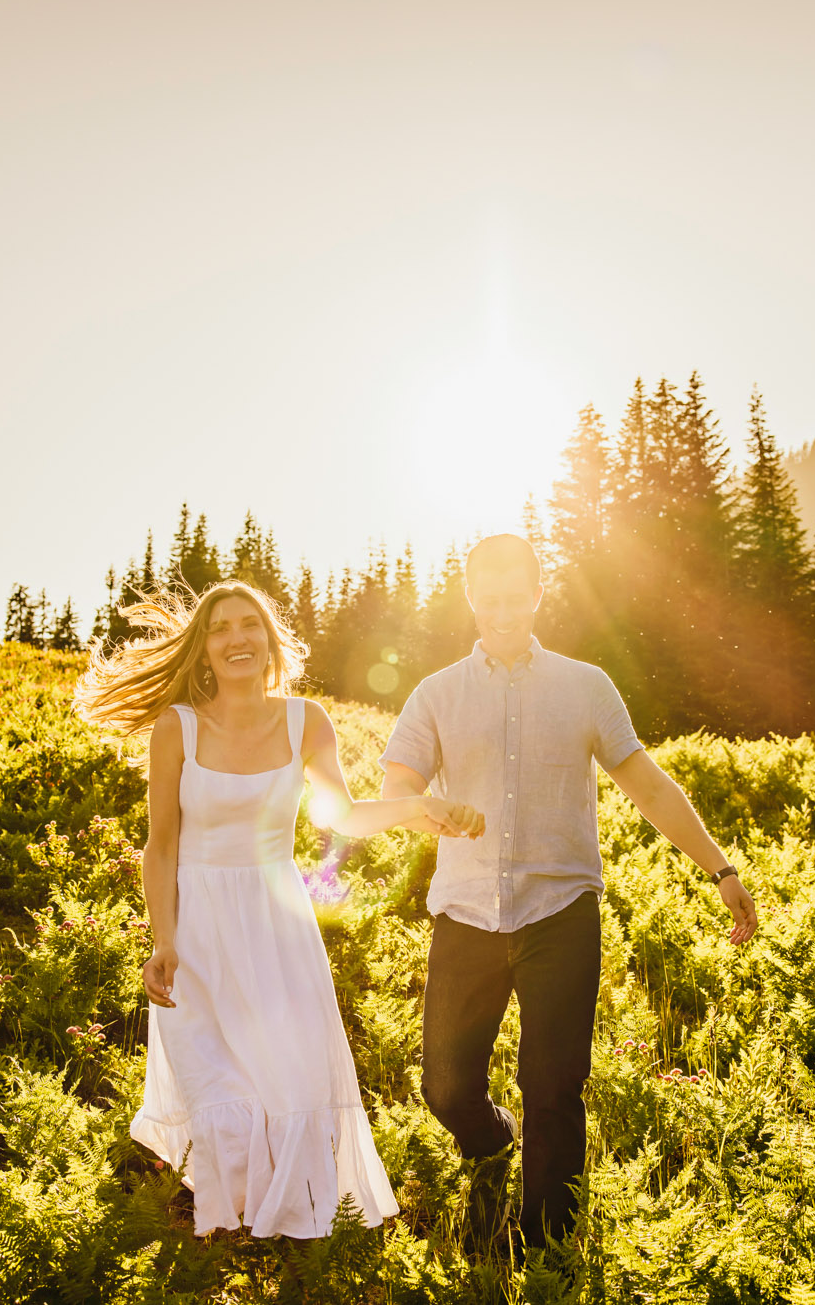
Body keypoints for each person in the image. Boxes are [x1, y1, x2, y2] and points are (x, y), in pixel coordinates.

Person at [378, 534, 759, 1260]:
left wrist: (720, 869)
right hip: (466, 915)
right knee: (446, 1088)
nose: (501, 609)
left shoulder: (586, 686)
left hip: (561, 915)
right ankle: (492, 1141)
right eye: (487, 597)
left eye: (513, 594)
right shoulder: (437, 693)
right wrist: (426, 804)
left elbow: (647, 784)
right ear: (471, 599)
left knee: (554, 1088)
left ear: (537, 594)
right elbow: (397, 785)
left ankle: (548, 1251)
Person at [73, 580, 485, 1239]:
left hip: (276, 921)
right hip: (200, 926)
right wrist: (164, 941)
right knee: (217, 1080)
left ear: (270, 640)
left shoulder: (306, 721)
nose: (237, 638)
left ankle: (294, 1233)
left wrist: (422, 806)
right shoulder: (174, 726)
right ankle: (233, 1226)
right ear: (204, 649)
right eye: (220, 629)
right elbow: (161, 847)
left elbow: (340, 814)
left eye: (250, 625)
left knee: (290, 1078)